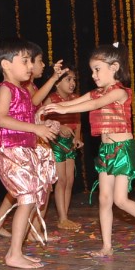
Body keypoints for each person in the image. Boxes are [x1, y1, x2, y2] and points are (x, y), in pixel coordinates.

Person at [42, 43, 135, 257]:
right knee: (104, 199)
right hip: (106, 149)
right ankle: (107, 246)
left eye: (97, 69)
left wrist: (61, 108)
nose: (93, 75)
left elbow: (93, 105)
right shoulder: (97, 92)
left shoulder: (119, 92)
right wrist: (56, 107)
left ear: (114, 67)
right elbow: (80, 101)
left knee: (120, 200)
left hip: (123, 148)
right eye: (92, 70)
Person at [0, 38, 61, 268]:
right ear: (6, 64)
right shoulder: (4, 89)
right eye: (25, 60)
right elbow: (1, 118)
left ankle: (16, 251)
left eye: (31, 61)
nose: (30, 66)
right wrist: (35, 128)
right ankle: (14, 254)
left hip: (24, 148)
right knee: (27, 197)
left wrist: (48, 126)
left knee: (29, 198)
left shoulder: (21, 91)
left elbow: (30, 115)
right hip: (11, 149)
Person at [45, 66, 84, 231]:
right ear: (57, 83)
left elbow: (78, 121)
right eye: (68, 80)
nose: (73, 83)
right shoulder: (50, 99)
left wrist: (77, 137)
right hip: (56, 142)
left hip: (70, 144)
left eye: (74, 80)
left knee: (70, 180)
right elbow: (41, 120)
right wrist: (58, 126)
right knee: (60, 180)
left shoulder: (76, 99)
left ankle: (65, 217)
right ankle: (62, 218)